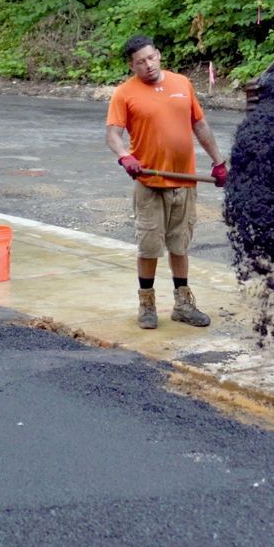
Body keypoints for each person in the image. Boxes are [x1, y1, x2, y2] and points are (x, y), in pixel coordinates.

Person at [104, 34, 228, 330]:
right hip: (149, 183)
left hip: (184, 182)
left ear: (158, 54)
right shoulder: (124, 93)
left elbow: (199, 125)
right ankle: (147, 302)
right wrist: (124, 157)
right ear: (131, 66)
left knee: (180, 244)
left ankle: (183, 304)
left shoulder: (181, 84)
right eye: (140, 62)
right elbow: (112, 134)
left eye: (150, 58)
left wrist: (218, 161)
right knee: (148, 247)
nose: (148, 65)